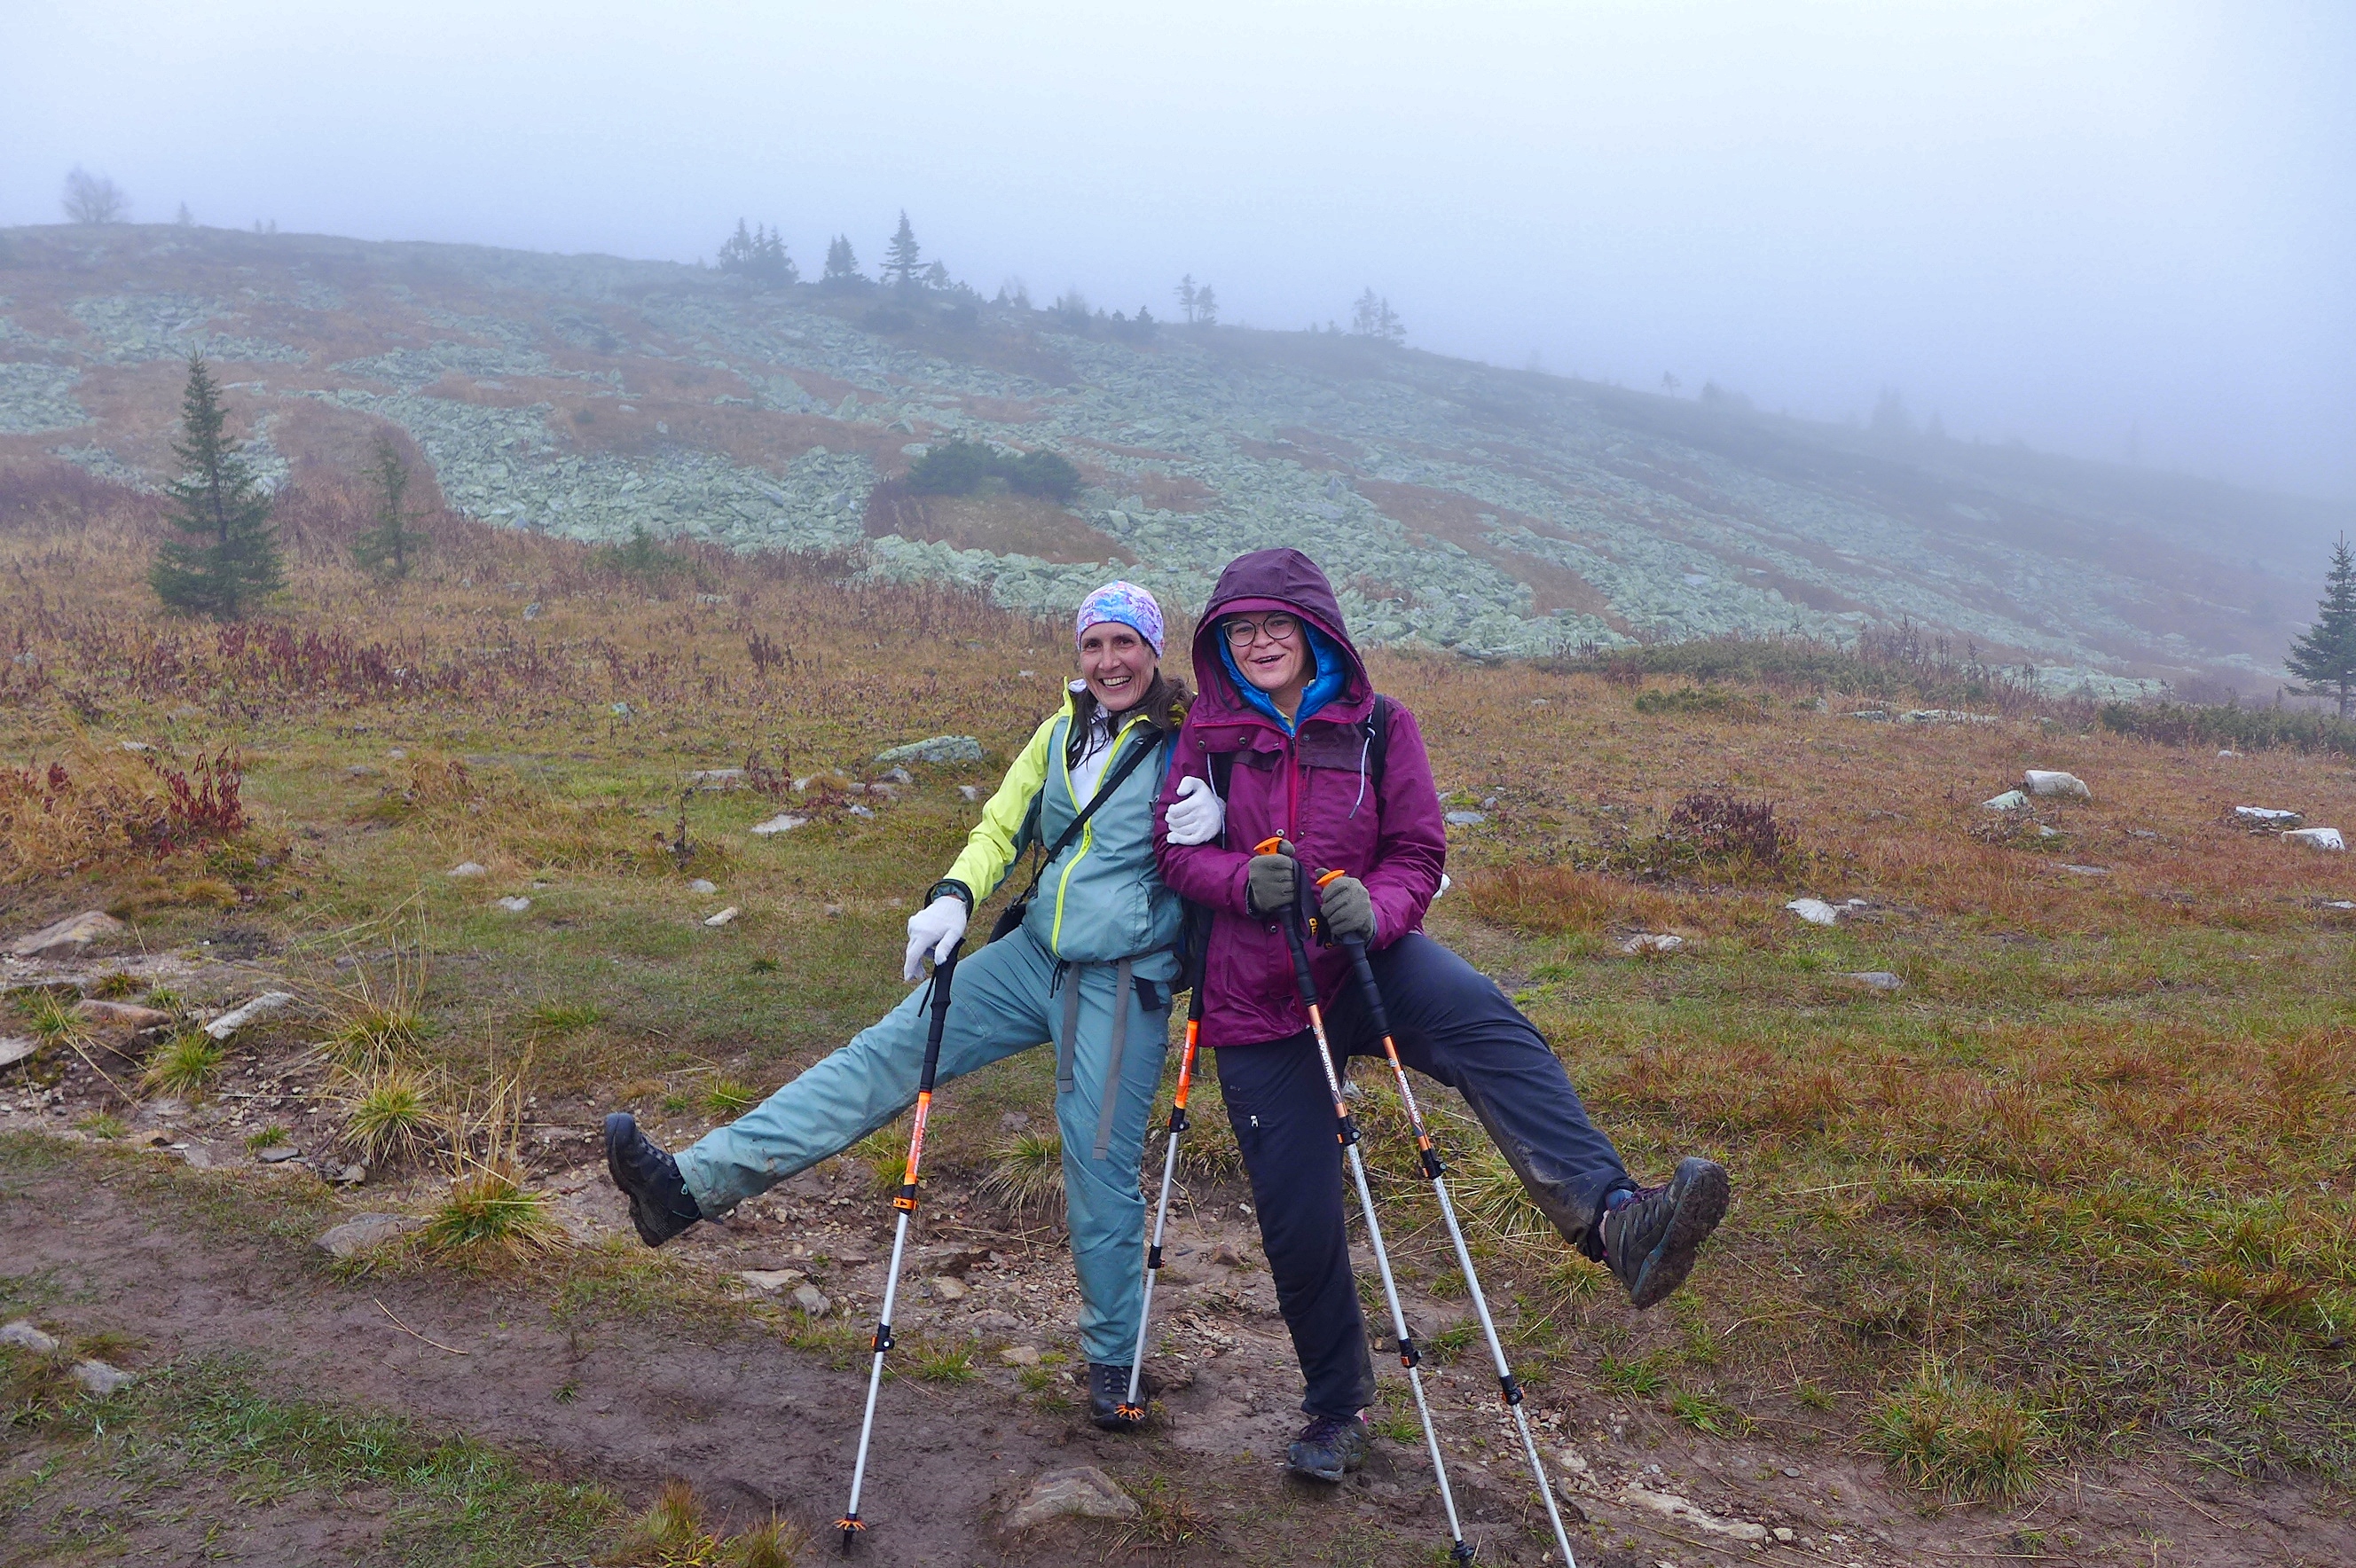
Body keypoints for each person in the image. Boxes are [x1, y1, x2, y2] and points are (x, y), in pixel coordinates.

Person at [1153, 548, 1730, 1484]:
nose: (1258, 641)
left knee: (1491, 1027)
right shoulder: (1208, 738)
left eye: (1275, 625)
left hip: (1370, 962)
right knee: (1298, 1219)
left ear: (1315, 632)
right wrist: (1236, 879)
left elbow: (1417, 853)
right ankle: (1336, 1406)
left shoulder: (1381, 727)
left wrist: (1375, 909)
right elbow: (1173, 856)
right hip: (1258, 998)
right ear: (1221, 641)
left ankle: (1615, 1219)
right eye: (1240, 629)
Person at [605, 581, 1229, 1431]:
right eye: (1094, 645)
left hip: (1122, 980)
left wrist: (1223, 818)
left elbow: (1248, 828)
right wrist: (953, 895)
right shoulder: (1058, 733)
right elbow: (1002, 827)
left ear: (1155, 652)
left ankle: (1113, 1364)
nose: (1109, 661)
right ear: (1077, 654)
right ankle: (687, 1188)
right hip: (1031, 956)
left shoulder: (1191, 743)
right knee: (881, 1056)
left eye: (1125, 645)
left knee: (1097, 1167)